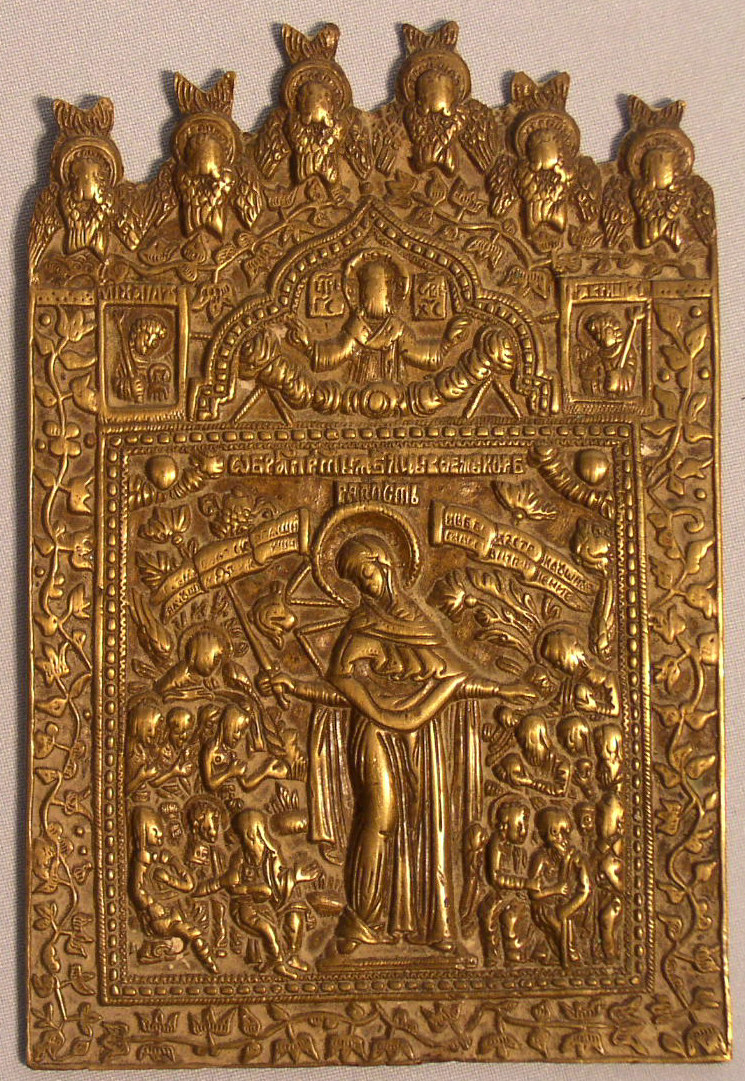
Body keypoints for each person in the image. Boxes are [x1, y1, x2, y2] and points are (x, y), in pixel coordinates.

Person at [260, 530, 525, 956]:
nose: (364, 586)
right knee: (379, 816)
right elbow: (344, 690)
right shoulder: (360, 626)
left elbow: (455, 679)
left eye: (365, 574)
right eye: (355, 581)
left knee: (427, 824)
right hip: (374, 733)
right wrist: (295, 686)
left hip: (423, 735)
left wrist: (500, 689)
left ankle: (429, 925)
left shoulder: (423, 624)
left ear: (385, 564)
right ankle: (361, 920)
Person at [195, 809, 320, 978]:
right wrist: (254, 889)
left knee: (296, 908)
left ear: (254, 834)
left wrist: (295, 878)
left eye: (245, 836)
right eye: (242, 837)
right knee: (267, 929)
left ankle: (292, 956)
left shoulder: (272, 854)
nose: (244, 841)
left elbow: (279, 881)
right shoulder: (240, 857)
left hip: (273, 901)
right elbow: (233, 886)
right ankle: (277, 962)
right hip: (246, 905)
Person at [129, 806, 217, 973]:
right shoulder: (142, 859)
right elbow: (136, 889)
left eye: (160, 830)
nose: (160, 835)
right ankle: (208, 963)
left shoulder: (162, 856)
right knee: (191, 932)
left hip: (175, 911)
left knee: (194, 923)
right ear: (143, 832)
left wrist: (172, 870)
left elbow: (189, 884)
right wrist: (150, 905)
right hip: (159, 917)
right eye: (155, 831)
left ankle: (205, 958)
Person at [527, 807, 591, 967]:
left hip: (563, 905)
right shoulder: (540, 857)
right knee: (558, 928)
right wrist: (555, 889)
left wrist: (569, 861)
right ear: (544, 835)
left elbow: (582, 887)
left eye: (565, 833)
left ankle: (568, 955)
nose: (561, 839)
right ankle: (560, 954)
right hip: (544, 906)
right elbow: (534, 894)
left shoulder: (571, 856)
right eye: (555, 833)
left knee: (568, 930)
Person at [477, 799, 535, 965]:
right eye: (519, 826)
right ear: (505, 826)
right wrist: (525, 883)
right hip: (501, 893)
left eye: (525, 826)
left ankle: (515, 954)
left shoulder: (521, 851)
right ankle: (493, 956)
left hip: (517, 896)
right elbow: (495, 878)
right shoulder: (497, 843)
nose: (524, 831)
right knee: (487, 914)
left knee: (513, 917)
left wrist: (525, 887)